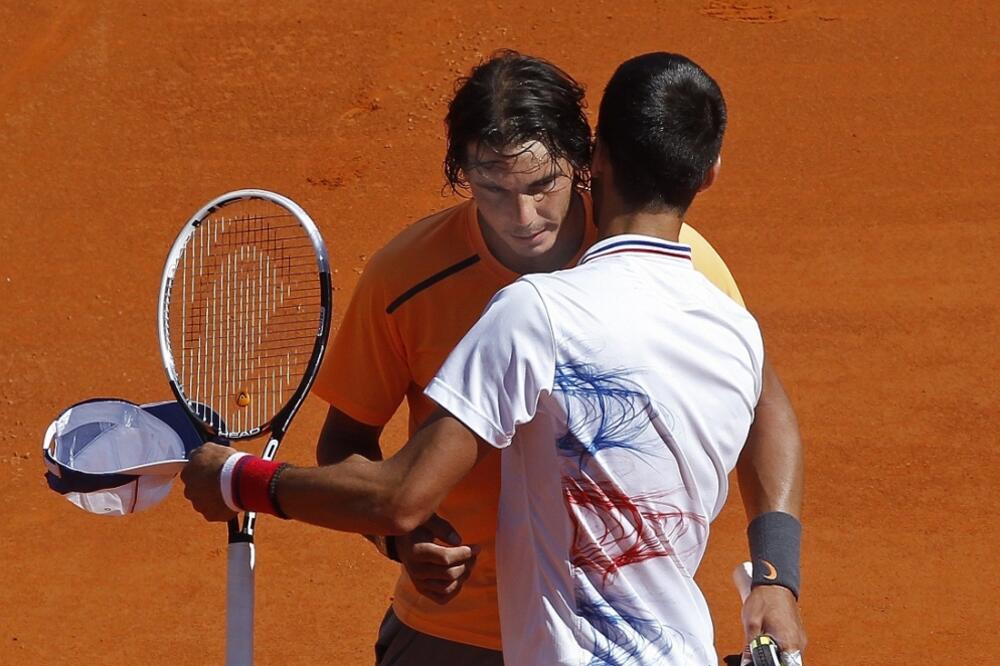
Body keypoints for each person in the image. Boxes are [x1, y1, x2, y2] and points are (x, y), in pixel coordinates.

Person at [183, 52, 804, 665]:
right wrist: (398, 539)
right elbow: (349, 441)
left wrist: (776, 573)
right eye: (493, 189)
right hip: (454, 627)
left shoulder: (666, 270)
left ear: (587, 160)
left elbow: (763, 405)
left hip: (607, 633)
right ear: (462, 173)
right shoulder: (406, 277)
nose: (523, 216)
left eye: (542, 185)